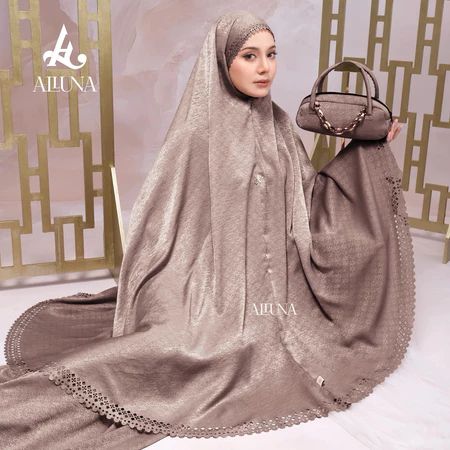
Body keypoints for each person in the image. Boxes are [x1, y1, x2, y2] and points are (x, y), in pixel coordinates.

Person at [0, 10, 414, 450]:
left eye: (271, 54)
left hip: (277, 287)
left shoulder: (278, 125)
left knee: (256, 342)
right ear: (222, 60)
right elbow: (161, 227)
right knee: (186, 347)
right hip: (197, 288)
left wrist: (363, 149)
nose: (264, 67)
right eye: (249, 56)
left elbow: (309, 202)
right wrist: (183, 288)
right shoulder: (197, 134)